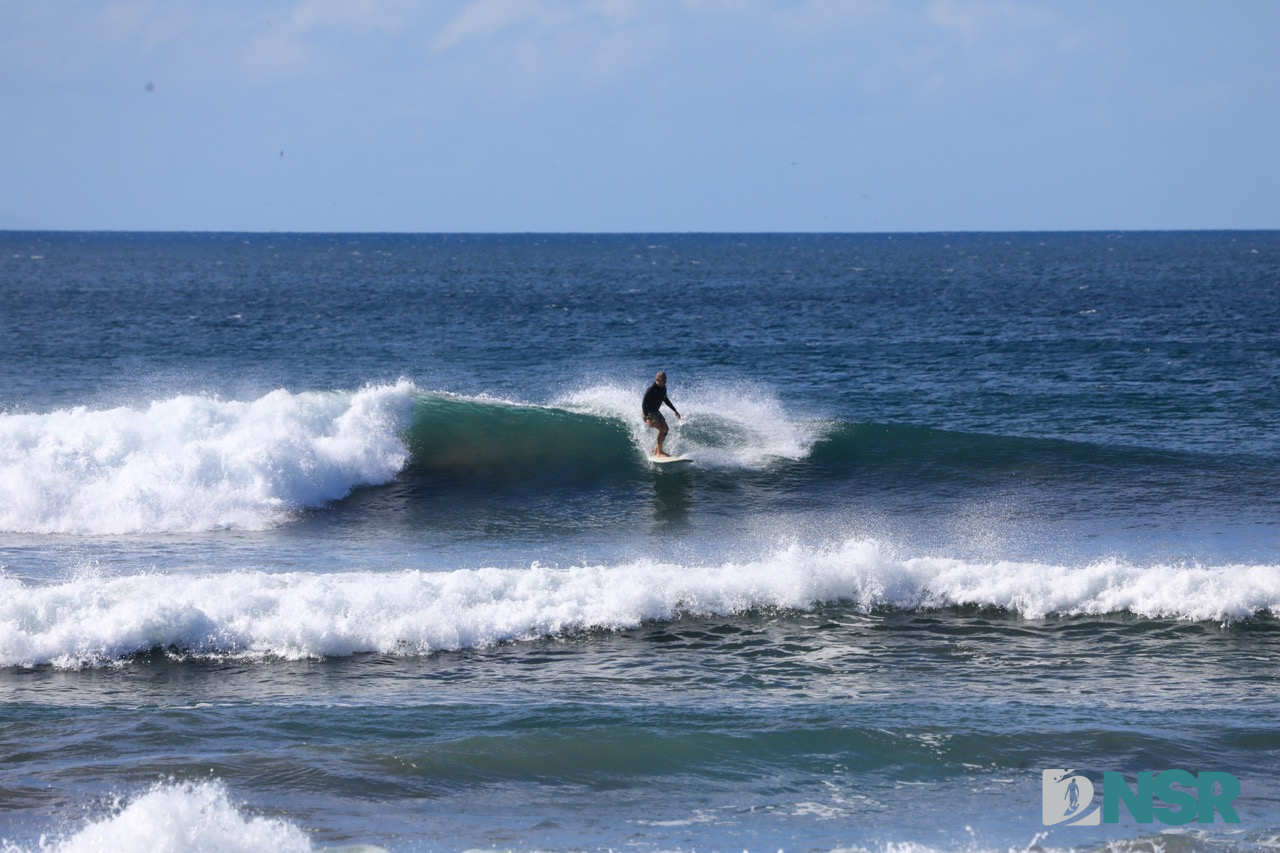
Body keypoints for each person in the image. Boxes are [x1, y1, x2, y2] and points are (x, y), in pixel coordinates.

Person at [642, 371, 682, 457]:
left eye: (666, 379)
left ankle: (656, 450)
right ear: (657, 379)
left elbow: (666, 400)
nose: (665, 381)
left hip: (656, 412)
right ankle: (659, 452)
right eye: (663, 379)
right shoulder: (651, 390)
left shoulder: (663, 388)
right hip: (648, 412)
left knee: (666, 429)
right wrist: (648, 418)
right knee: (661, 429)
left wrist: (675, 410)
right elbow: (644, 405)